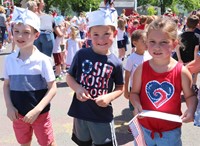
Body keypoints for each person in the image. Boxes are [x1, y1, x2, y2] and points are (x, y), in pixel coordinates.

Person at [130, 17, 197, 146]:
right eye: (152, 42)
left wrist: (191, 109)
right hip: (144, 128)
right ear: (146, 42)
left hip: (170, 132)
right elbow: (134, 93)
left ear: (174, 43)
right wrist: (136, 104)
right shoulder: (141, 69)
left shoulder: (182, 72)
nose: (157, 47)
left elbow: (190, 96)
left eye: (163, 42)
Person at [66, 8, 124, 146]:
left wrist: (109, 97)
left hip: (101, 116)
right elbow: (69, 77)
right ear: (89, 34)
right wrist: (78, 88)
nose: (101, 39)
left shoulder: (116, 62)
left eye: (106, 34)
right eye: (96, 34)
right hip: (80, 113)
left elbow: (120, 87)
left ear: (115, 34)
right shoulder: (81, 54)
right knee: (83, 143)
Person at [3, 7, 57, 146]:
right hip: (18, 114)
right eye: (17, 32)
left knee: (48, 143)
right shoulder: (9, 59)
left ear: (36, 35)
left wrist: (37, 110)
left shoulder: (43, 60)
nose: (20, 36)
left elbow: (52, 88)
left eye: (26, 32)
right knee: (24, 142)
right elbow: (6, 85)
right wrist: (9, 106)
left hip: (40, 114)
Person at [124, 30, 151, 123]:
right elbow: (127, 75)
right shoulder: (131, 58)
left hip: (147, 87)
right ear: (135, 43)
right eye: (143, 41)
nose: (147, 43)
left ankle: (144, 124)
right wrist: (126, 90)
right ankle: (136, 125)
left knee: (146, 107)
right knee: (134, 107)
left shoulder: (149, 55)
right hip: (134, 89)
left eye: (147, 40)